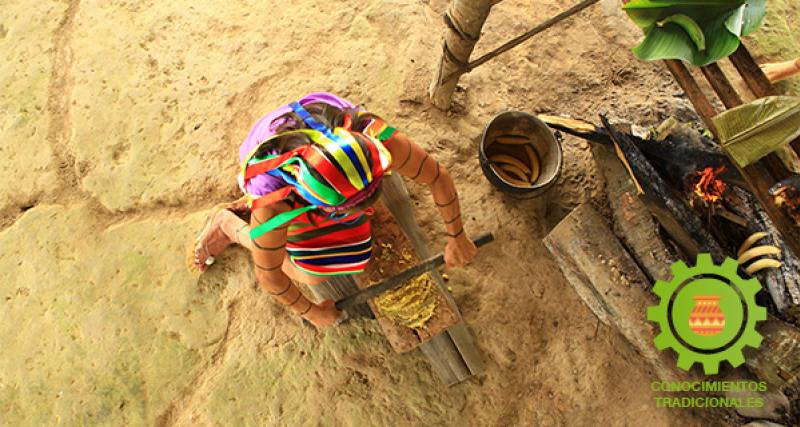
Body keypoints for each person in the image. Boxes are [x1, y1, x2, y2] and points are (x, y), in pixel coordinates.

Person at [191, 93, 477, 328]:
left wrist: (457, 237)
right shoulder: (276, 202)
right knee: (314, 273)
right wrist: (311, 311)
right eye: (345, 209)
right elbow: (271, 276)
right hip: (266, 154)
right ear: (309, 199)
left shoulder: (374, 134)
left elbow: (438, 177)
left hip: (311, 127)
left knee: (355, 239)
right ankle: (229, 226)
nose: (361, 213)